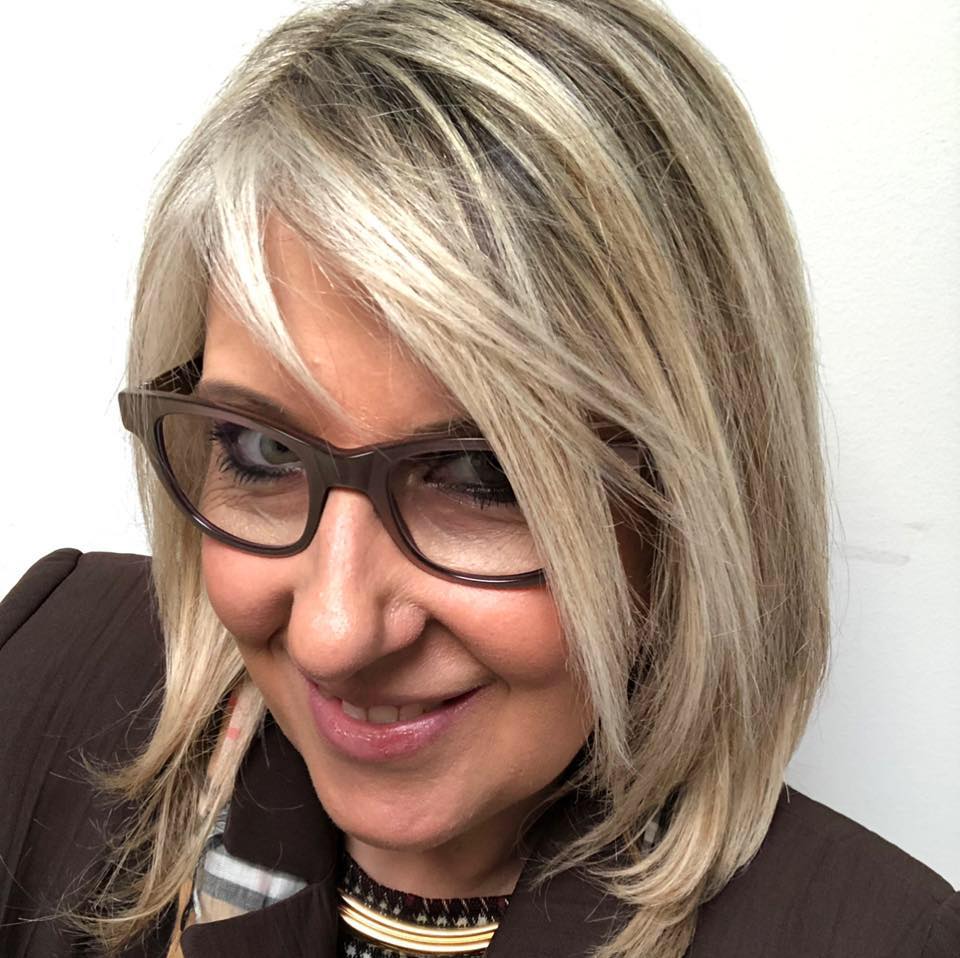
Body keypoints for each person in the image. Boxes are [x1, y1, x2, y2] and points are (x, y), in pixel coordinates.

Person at [1, 1, 957, 956]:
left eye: (480, 475)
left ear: (696, 504)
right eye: (263, 451)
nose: (335, 635)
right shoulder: (48, 666)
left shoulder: (873, 938)